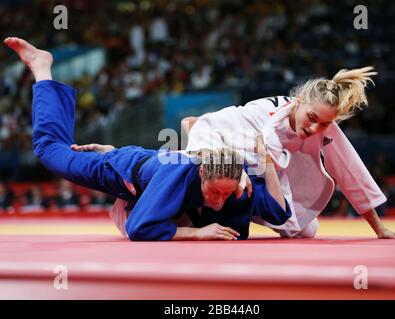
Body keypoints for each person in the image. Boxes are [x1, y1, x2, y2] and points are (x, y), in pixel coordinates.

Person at [4, 37, 291, 241]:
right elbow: (139, 229)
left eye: (225, 194)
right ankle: (43, 70)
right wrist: (195, 233)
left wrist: (266, 159)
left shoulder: (233, 181)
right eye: (214, 192)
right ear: (202, 172)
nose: (219, 201)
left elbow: (279, 213)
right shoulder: (179, 173)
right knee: (49, 151)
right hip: (122, 170)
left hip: (150, 162)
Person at [182, 67, 395, 239]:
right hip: (234, 157)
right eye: (312, 118)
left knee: (307, 230)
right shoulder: (262, 113)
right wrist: (230, 169)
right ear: (298, 101)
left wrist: (380, 229)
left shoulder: (325, 128)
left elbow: (351, 172)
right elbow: (206, 127)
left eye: (324, 124)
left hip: (271, 172)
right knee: (199, 187)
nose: (315, 128)